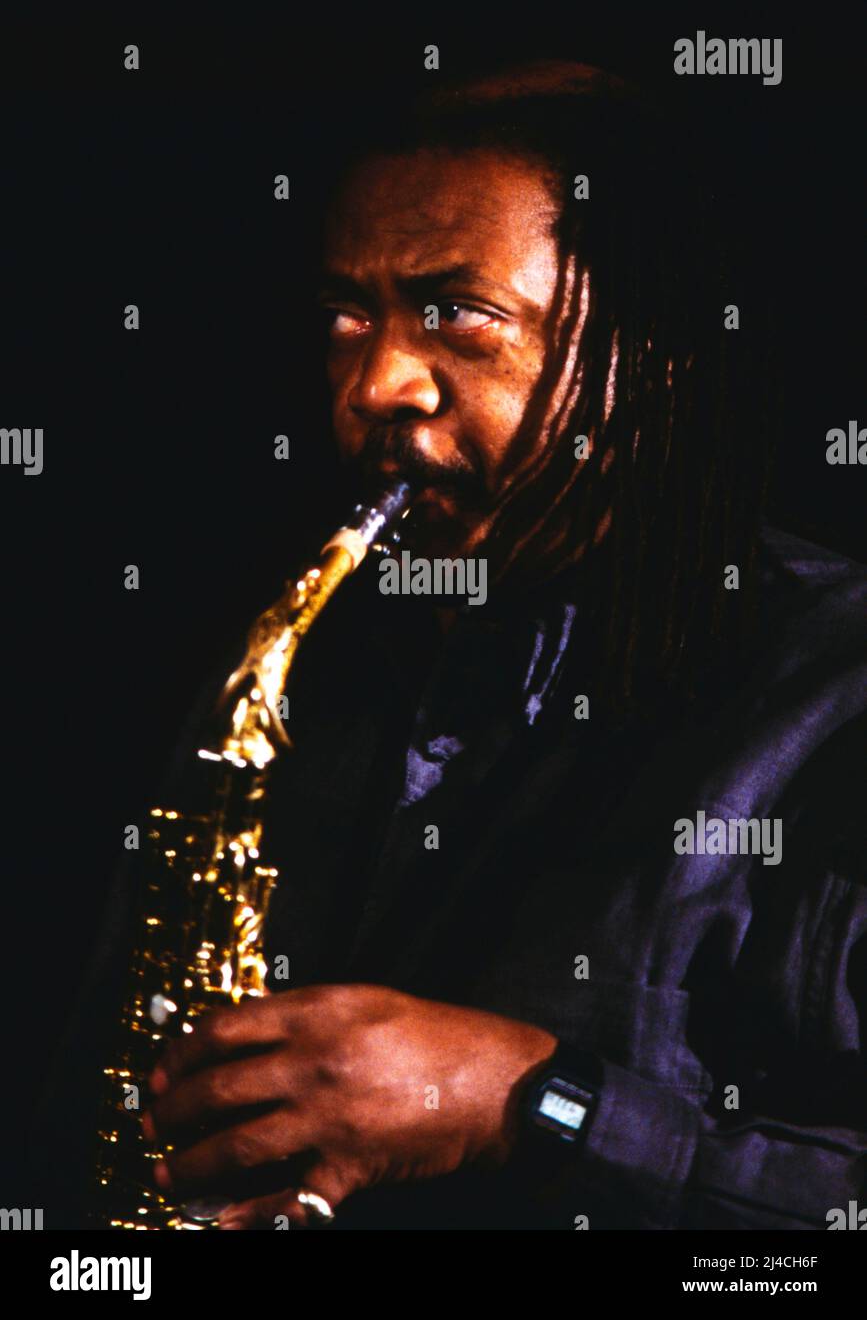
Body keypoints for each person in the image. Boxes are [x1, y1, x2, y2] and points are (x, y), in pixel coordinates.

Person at [35, 62, 867, 1230]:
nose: (376, 384)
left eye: (456, 314)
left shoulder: (836, 691)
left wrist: (529, 1105)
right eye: (346, 317)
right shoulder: (284, 679)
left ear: (651, 351)